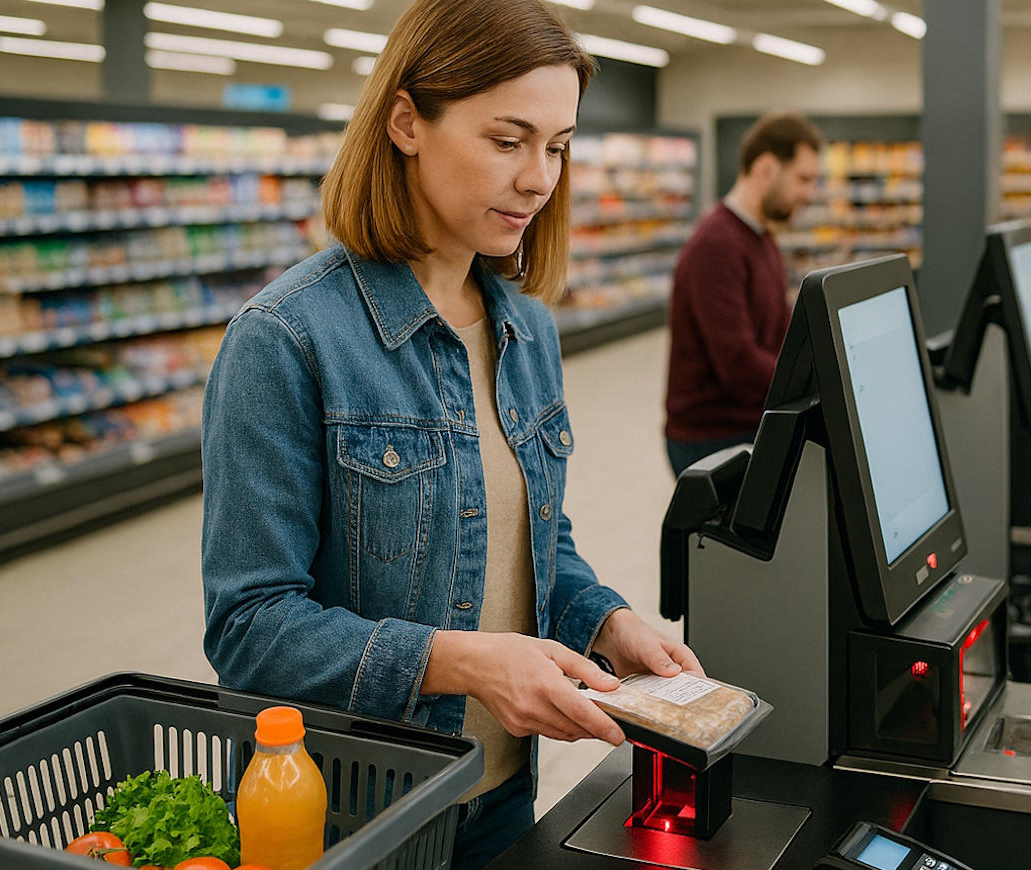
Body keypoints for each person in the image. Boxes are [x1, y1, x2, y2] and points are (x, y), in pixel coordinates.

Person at [199, 2, 701, 867]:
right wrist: (461, 664)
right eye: (507, 141)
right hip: (355, 815)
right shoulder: (286, 338)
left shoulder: (527, 329)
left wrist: (605, 620)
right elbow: (250, 627)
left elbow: (529, 537)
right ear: (405, 122)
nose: (540, 179)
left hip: (502, 795)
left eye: (557, 145)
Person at [664, 111, 822, 477]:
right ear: (766, 167)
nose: (809, 194)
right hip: (713, 437)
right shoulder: (716, 246)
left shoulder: (762, 237)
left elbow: (784, 334)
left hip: (749, 419)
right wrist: (817, 383)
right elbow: (738, 364)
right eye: (803, 179)